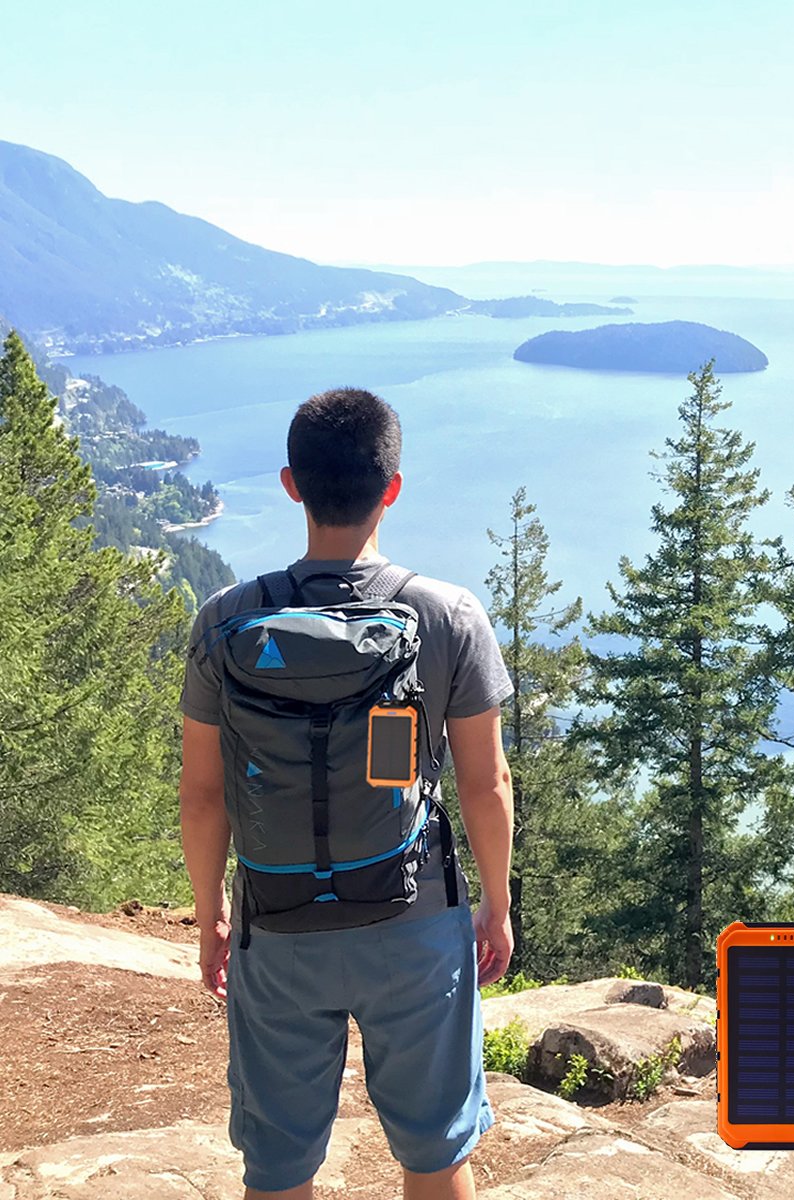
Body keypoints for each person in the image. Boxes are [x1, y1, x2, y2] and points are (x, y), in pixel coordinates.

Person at [178, 387, 515, 1200]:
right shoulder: (446, 615)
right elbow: (485, 783)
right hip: (412, 922)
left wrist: (211, 918)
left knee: (280, 1163)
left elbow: (202, 794)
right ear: (391, 487)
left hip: (279, 924)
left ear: (292, 484)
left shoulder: (227, 619)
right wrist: (496, 906)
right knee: (436, 1155)